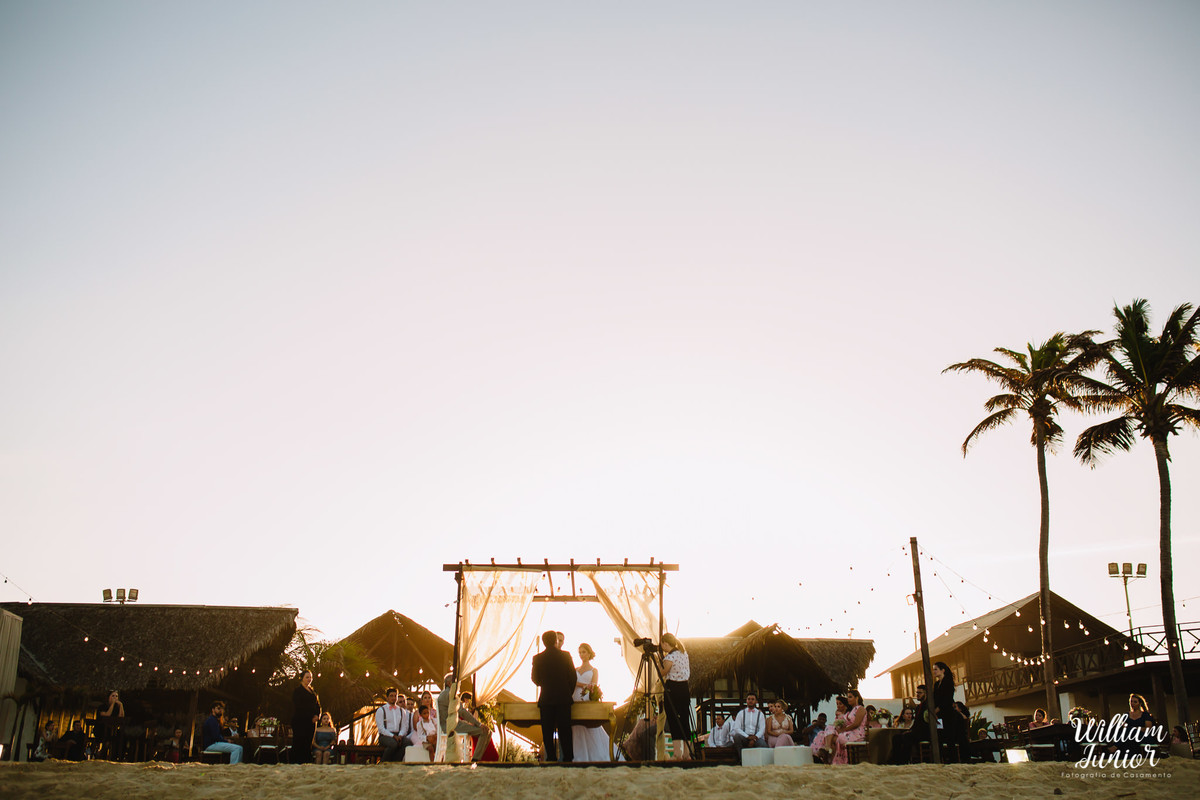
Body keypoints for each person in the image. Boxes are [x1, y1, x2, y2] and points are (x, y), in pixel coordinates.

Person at [531, 629, 576, 761]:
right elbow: (573, 677)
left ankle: (550, 757)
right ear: (555, 640)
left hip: (546, 698)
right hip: (563, 698)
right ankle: (568, 758)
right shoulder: (566, 656)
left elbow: (535, 679)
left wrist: (545, 684)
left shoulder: (537, 658)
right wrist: (567, 692)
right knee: (565, 729)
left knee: (547, 730)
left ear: (543, 642)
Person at [571, 643, 611, 761]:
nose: (581, 655)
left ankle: (594, 754)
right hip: (575, 697)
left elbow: (593, 685)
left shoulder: (594, 670)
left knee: (589, 725)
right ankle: (578, 754)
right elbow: (572, 682)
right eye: (580, 652)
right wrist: (583, 685)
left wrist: (583, 686)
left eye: (583, 652)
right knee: (576, 726)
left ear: (589, 653)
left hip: (586, 698)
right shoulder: (576, 669)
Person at [658, 633, 692, 759]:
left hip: (673, 688)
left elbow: (662, 672)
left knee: (673, 719)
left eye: (662, 644)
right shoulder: (684, 653)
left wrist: (658, 663)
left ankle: (677, 753)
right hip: (684, 688)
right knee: (684, 719)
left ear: (665, 643)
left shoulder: (670, 657)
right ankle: (686, 753)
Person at [815, 689, 868, 765]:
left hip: (857, 734)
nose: (848, 699)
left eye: (850, 697)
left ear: (856, 698)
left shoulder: (860, 709)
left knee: (834, 738)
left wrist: (843, 730)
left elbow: (856, 724)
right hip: (849, 732)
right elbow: (847, 723)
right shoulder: (852, 710)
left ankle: (830, 756)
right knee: (830, 729)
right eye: (848, 697)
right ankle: (828, 753)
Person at [932, 662, 967, 762]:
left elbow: (947, 699)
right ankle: (942, 759)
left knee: (950, 737)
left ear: (942, 670)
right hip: (939, 715)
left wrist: (937, 709)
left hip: (948, 714)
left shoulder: (948, 683)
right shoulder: (936, 684)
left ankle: (953, 760)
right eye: (933, 669)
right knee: (940, 736)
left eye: (936, 669)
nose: (934, 671)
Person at [291, 670, 321, 764]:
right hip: (300, 721)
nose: (309, 679)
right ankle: (296, 762)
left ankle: (306, 762)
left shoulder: (313, 692)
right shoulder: (297, 691)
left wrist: (317, 715)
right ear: (302, 678)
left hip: (311, 722)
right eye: (307, 677)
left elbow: (318, 706)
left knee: (308, 742)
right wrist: (310, 716)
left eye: (310, 677)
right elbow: (298, 706)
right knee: (299, 742)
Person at [375, 687, 413, 762]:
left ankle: (396, 761)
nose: (393, 698)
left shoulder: (401, 711)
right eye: (391, 696)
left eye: (395, 696)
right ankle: (384, 762)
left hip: (398, 735)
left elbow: (404, 726)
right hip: (385, 736)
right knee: (393, 744)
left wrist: (400, 735)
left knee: (408, 743)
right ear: (387, 698)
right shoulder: (381, 710)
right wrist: (393, 736)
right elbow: (381, 729)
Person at [454, 691, 490, 761]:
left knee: (487, 731)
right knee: (484, 731)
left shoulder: (453, 698)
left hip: (461, 724)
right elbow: (462, 713)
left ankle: (478, 757)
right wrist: (478, 724)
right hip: (456, 726)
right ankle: (475, 760)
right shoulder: (453, 698)